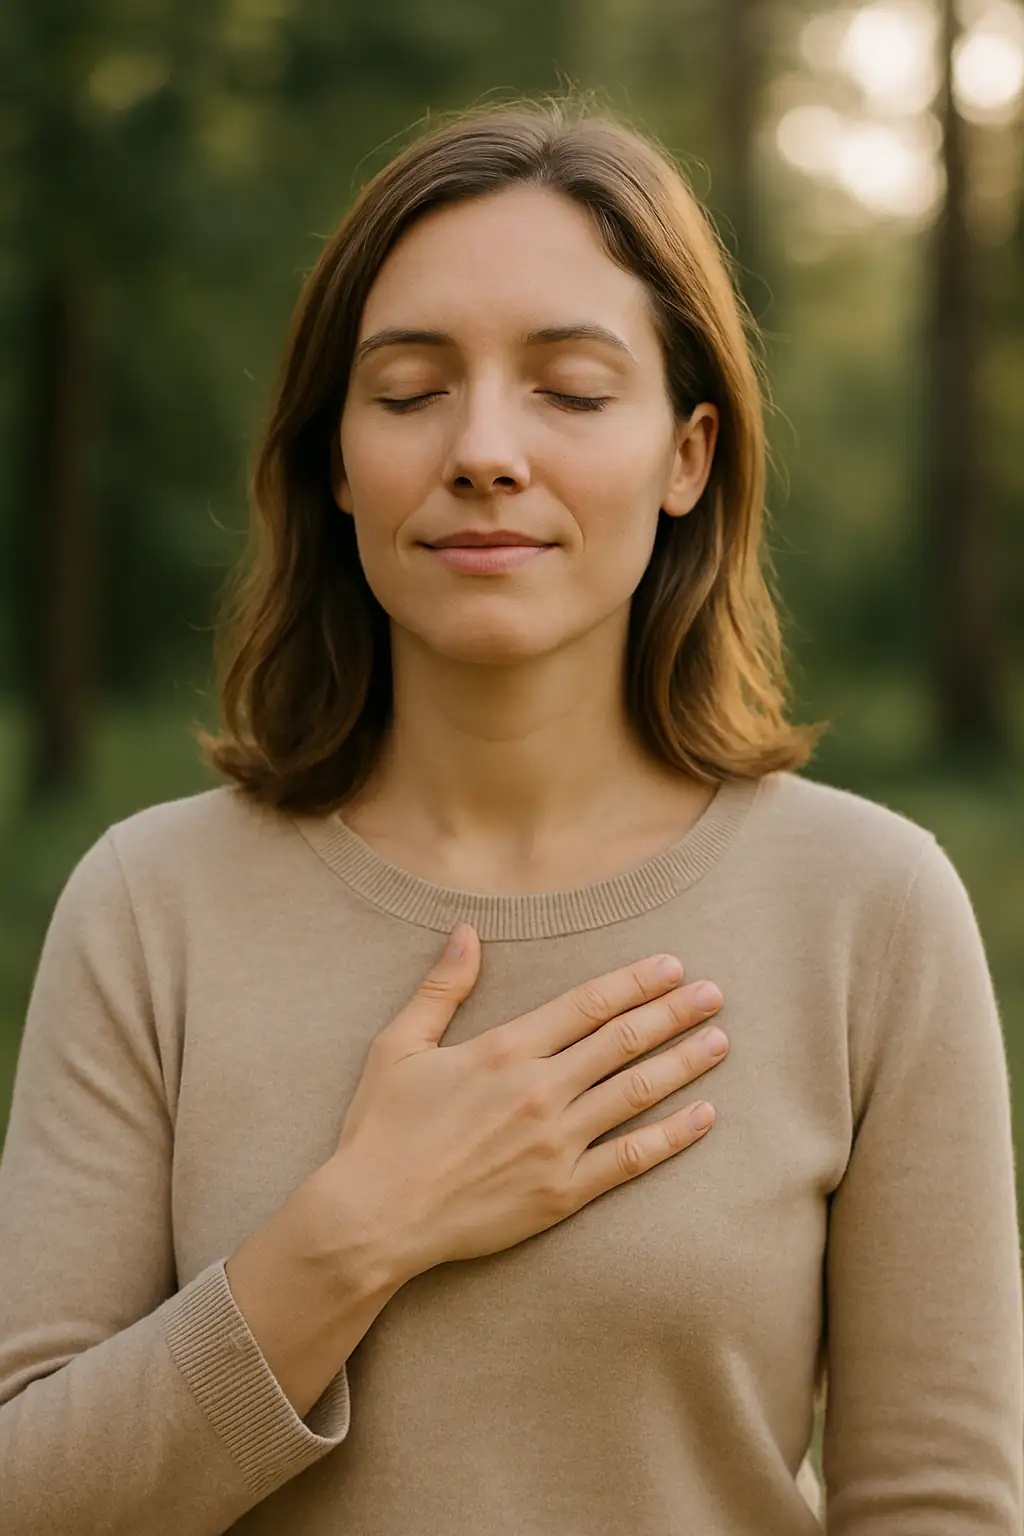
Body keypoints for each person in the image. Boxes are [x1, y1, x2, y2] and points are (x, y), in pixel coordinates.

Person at [0, 96, 1020, 1536]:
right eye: (410, 391)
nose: (483, 450)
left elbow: (938, 1504)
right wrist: (356, 1230)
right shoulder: (149, 904)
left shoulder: (873, 908)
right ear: (337, 459)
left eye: (573, 392)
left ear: (689, 455)